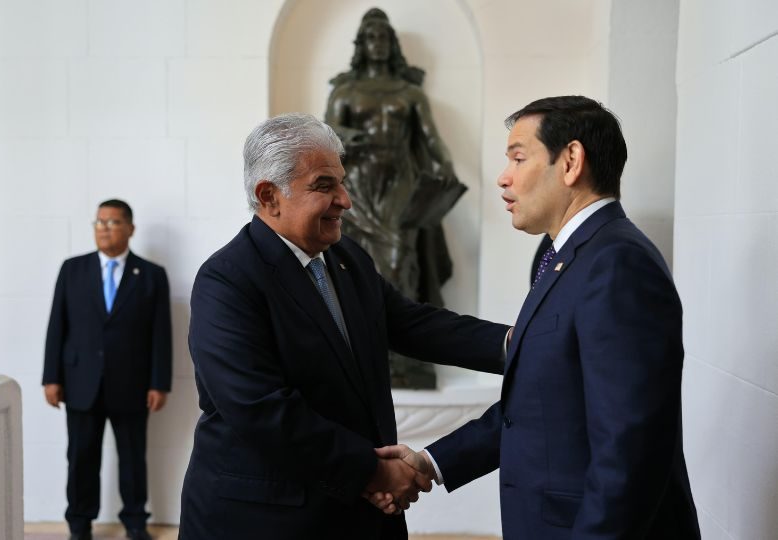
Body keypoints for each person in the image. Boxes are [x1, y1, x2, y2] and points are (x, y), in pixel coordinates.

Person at [373, 96, 701, 539]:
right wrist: (432, 461)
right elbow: (540, 403)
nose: (503, 177)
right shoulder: (559, 257)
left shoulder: (618, 264)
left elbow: (631, 451)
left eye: (518, 158)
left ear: (570, 161)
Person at [178, 113, 508, 539]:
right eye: (324, 185)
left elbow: (413, 324)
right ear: (269, 196)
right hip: (267, 520)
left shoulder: (346, 257)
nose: (346, 200)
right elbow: (261, 409)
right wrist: (374, 471)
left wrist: (513, 342)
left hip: (354, 513)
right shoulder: (227, 280)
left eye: (342, 182)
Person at [325, 8, 465, 388]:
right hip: (358, 183)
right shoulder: (345, 92)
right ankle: (365, 348)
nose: (379, 44)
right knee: (356, 266)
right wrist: (347, 138)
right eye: (372, 38)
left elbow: (431, 138)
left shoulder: (411, 94)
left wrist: (448, 167)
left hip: (400, 182)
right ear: (362, 45)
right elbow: (327, 137)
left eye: (384, 38)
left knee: (401, 261)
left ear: (392, 45)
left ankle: (403, 353)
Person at [42, 199, 172, 540]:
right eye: (99, 222)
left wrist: (160, 383)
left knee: (133, 458)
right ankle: (80, 524)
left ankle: (134, 522)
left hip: (132, 384)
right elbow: (57, 326)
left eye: (113, 222)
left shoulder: (151, 275)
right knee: (81, 458)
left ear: (130, 228)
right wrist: (51, 378)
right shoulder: (73, 269)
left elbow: (161, 334)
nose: (104, 228)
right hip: (80, 383)